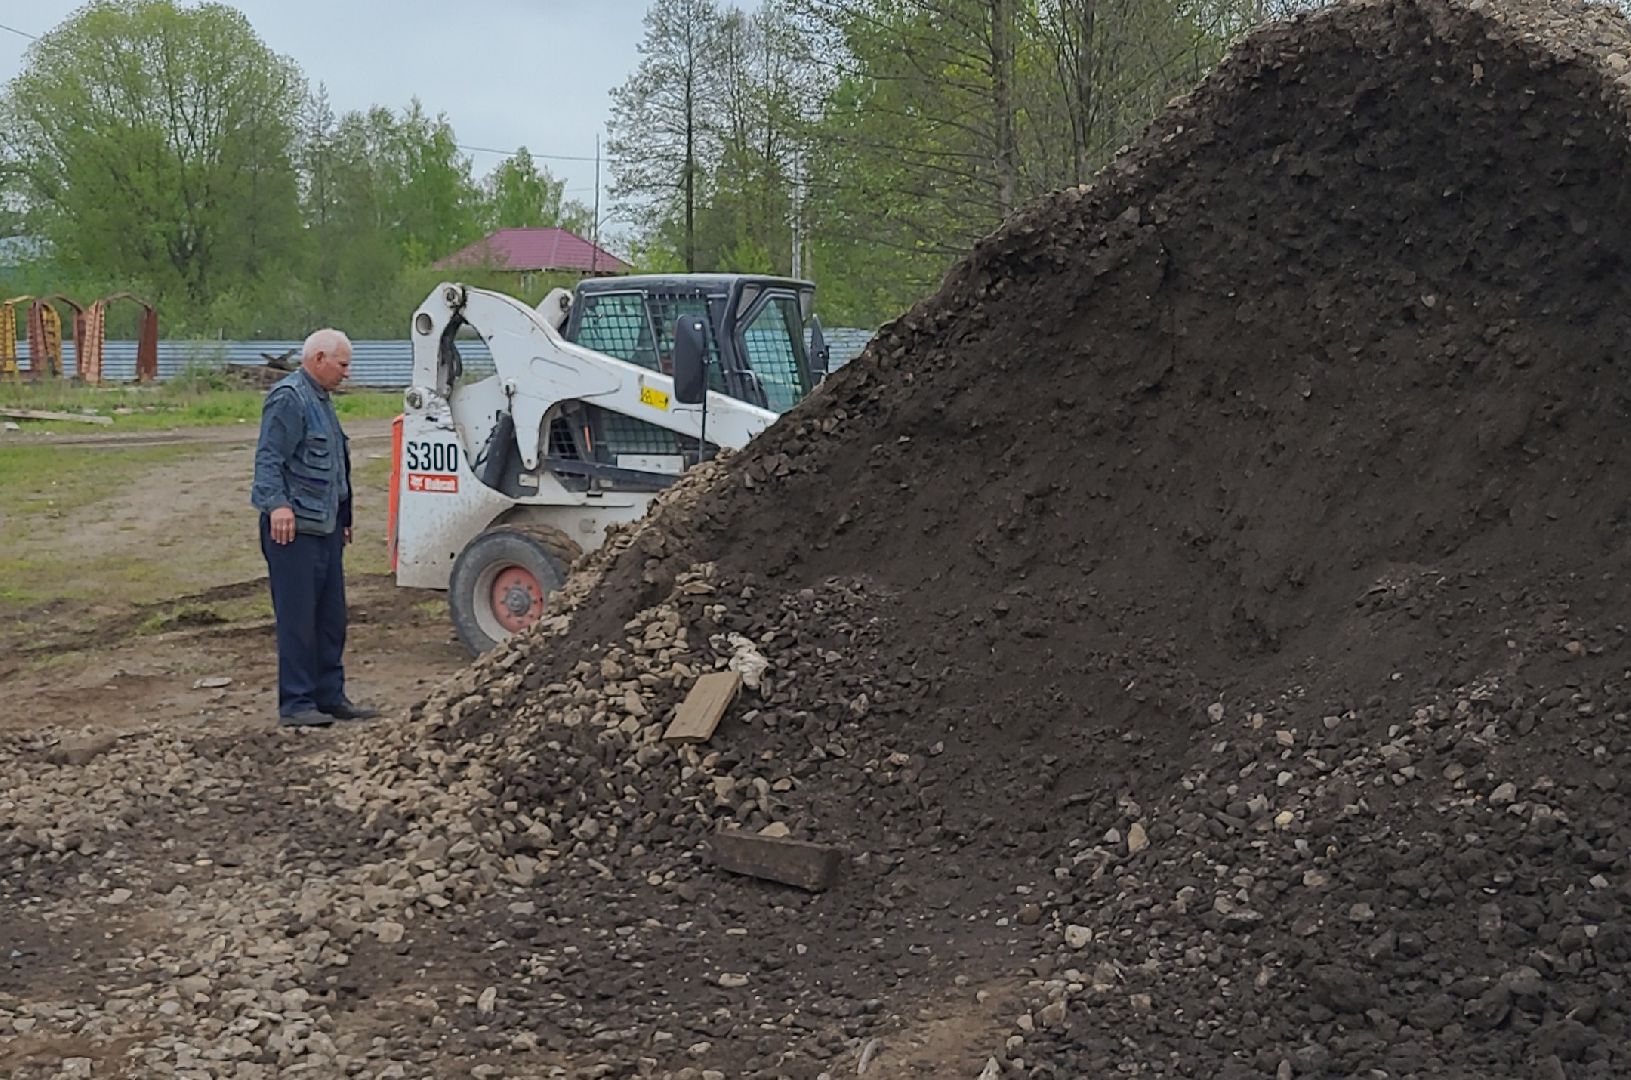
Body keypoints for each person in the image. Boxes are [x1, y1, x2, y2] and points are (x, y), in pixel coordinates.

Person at [251, 328, 379, 727]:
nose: (347, 373)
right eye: (342, 365)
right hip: (293, 530)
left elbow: (337, 466)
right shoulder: (289, 399)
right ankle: (297, 703)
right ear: (319, 358)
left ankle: (329, 696)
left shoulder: (321, 401)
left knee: (330, 618)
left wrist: (343, 519)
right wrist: (278, 507)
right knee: (298, 619)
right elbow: (269, 459)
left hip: (324, 528)